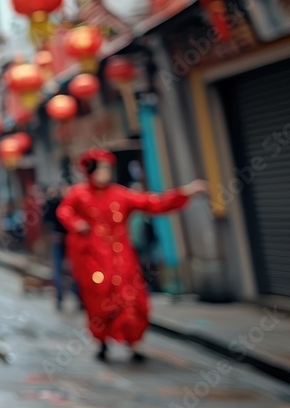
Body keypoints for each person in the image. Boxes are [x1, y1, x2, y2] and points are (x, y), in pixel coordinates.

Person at [57, 148, 208, 363]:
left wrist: (185, 192)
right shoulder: (78, 194)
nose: (105, 173)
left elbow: (153, 203)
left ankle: (133, 343)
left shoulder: (120, 194)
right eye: (101, 169)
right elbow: (64, 212)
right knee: (99, 302)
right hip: (94, 261)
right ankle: (102, 342)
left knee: (131, 300)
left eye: (107, 169)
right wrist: (77, 224)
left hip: (122, 259)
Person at [43, 184, 78, 311]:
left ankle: (78, 297)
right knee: (58, 268)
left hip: (73, 240)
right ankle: (59, 296)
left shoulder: (75, 204)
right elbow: (48, 219)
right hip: (59, 238)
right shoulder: (56, 203)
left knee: (75, 269)